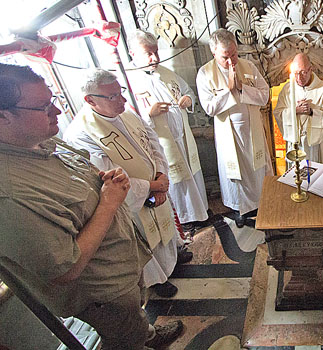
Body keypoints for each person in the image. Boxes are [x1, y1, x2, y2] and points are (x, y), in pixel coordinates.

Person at [0, 63, 182, 349]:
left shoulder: (39, 144)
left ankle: (147, 335)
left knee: (134, 322)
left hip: (121, 267)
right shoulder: (8, 193)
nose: (57, 112)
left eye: (53, 101)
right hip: (101, 290)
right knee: (124, 339)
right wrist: (110, 202)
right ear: (3, 118)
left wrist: (115, 182)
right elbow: (65, 268)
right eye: (43, 107)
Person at [64, 69, 180, 298]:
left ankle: (173, 259)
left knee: (163, 228)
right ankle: (157, 279)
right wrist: (151, 187)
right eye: (113, 96)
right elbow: (107, 176)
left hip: (156, 185)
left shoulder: (127, 113)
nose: (123, 100)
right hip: (132, 198)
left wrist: (160, 175)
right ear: (90, 100)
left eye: (121, 93)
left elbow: (152, 142)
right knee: (144, 235)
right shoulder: (80, 134)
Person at [127, 30, 210, 234]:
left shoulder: (166, 72)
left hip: (182, 137)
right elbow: (126, 120)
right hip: (161, 144)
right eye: (148, 53)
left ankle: (199, 213)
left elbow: (187, 91)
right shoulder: (128, 81)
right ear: (133, 53)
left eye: (156, 52)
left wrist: (188, 100)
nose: (155, 58)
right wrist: (148, 113)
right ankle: (184, 218)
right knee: (176, 180)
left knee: (191, 175)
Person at [196, 28, 273, 228]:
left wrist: (242, 89)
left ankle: (261, 203)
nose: (231, 61)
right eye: (225, 57)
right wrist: (229, 91)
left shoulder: (248, 66)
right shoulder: (205, 73)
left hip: (252, 129)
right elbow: (210, 108)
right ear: (214, 53)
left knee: (257, 169)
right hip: (228, 135)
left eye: (234, 54)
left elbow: (265, 96)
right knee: (236, 173)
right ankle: (240, 208)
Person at [273, 52, 323, 165]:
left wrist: (311, 111)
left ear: (311, 69)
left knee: (315, 176)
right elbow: (278, 113)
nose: (299, 77)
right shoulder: (287, 90)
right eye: (296, 73)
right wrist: (294, 111)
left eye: (303, 72)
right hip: (295, 143)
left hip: (315, 145)